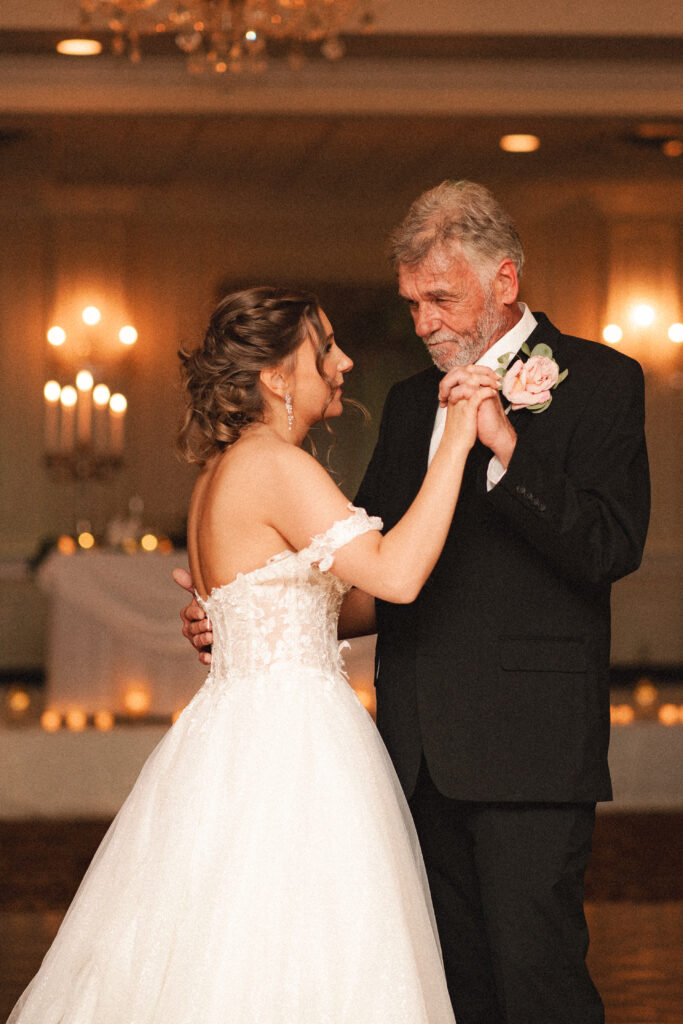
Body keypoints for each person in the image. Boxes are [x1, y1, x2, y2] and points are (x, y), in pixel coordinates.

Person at [179, 183, 651, 1024]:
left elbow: (610, 548)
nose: (424, 321)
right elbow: (367, 574)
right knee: (447, 988)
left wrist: (507, 450)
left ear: (504, 280)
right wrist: (253, 615)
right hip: (409, 755)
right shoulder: (406, 405)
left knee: (537, 983)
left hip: (526, 749)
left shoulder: (602, 382)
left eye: (441, 297)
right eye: (412, 302)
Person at [10, 286, 497, 1023]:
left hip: (234, 735)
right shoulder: (274, 465)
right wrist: (458, 441)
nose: (343, 362)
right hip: (293, 747)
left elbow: (352, 601)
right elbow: (395, 575)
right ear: (275, 376)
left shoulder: (224, 470)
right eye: (323, 348)